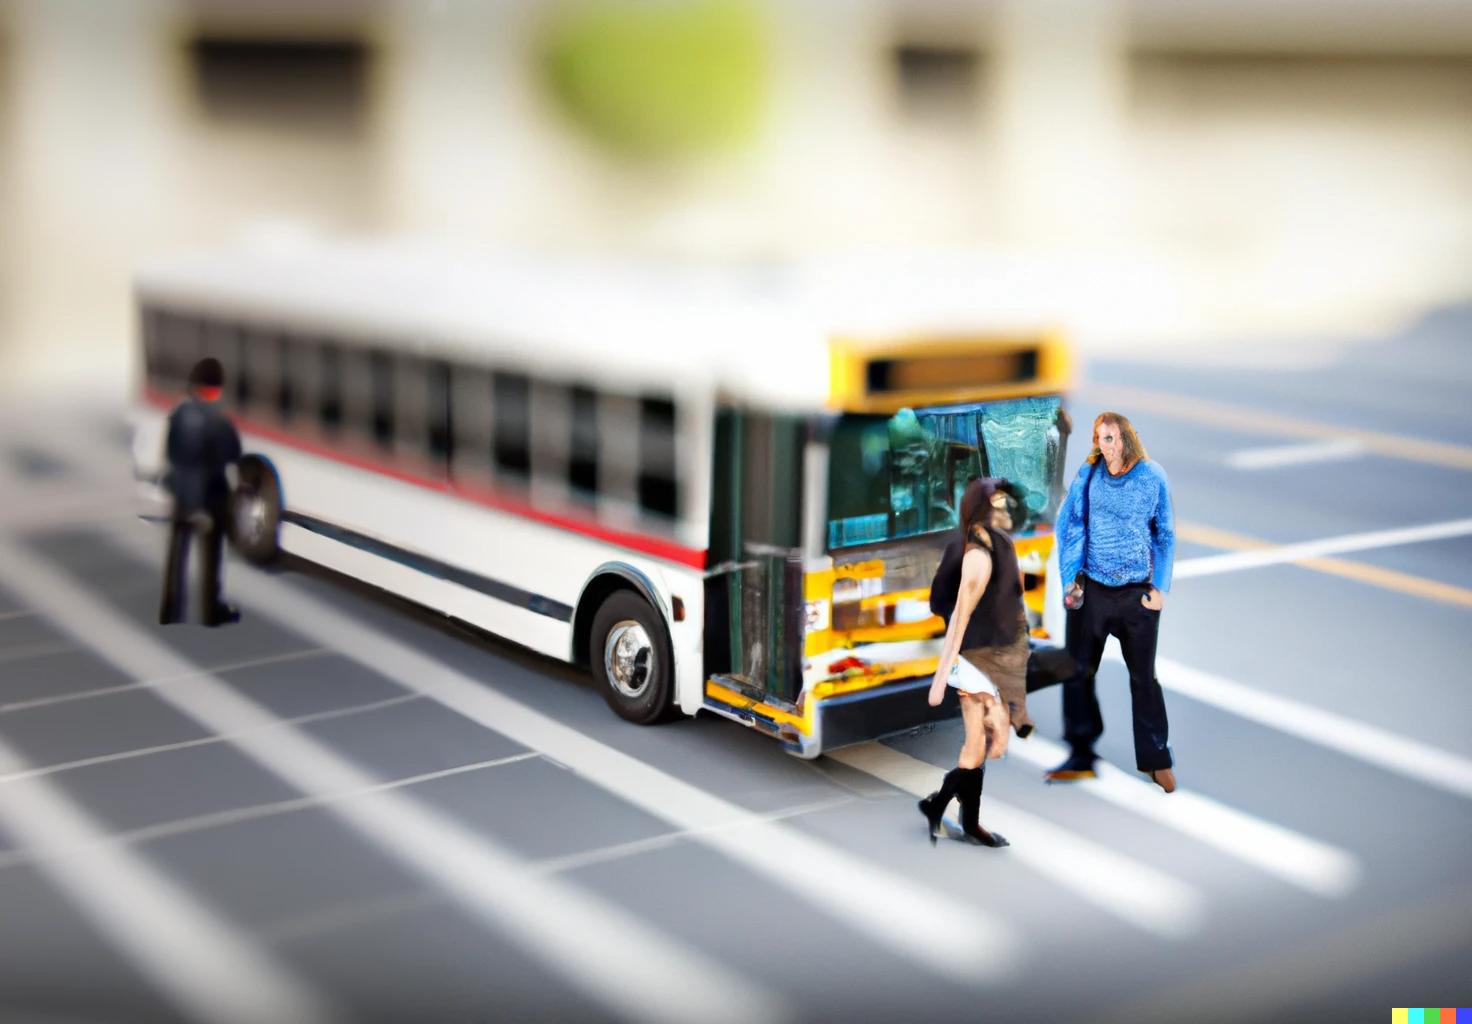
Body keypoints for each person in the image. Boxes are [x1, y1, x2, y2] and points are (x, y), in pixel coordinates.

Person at [1046, 411, 1177, 793]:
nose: (1109, 444)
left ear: (1128, 440)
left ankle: (1156, 758)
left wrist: (1160, 590)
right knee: (1078, 672)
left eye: (1115, 437)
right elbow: (1067, 521)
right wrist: (1071, 578)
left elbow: (1165, 534)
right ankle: (1081, 750)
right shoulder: (1089, 476)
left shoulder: (1152, 477)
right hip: (1093, 594)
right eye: (1102, 438)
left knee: (1144, 680)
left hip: (1137, 597)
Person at [917, 477, 1031, 848]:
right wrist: (971, 623)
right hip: (974, 656)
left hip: (994, 655)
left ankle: (946, 810)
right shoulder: (966, 548)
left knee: (977, 745)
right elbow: (942, 601)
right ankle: (961, 817)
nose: (1006, 511)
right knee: (984, 743)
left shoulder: (999, 542)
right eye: (999, 505)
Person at [158, 357, 243, 627]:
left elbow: (170, 451)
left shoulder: (179, 413)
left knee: (177, 553)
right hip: (210, 496)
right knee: (210, 556)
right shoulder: (219, 419)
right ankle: (210, 610)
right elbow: (232, 453)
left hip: (182, 493)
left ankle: (171, 609)